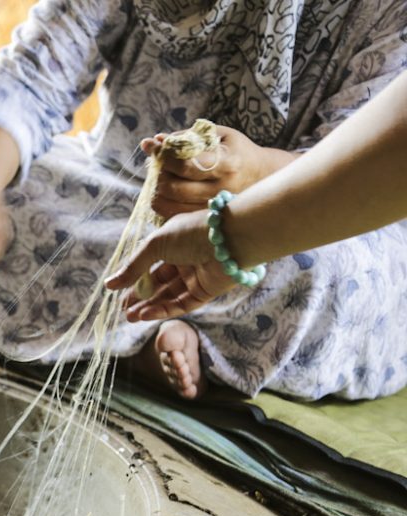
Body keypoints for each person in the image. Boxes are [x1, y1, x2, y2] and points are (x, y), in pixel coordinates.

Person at [0, 0, 407, 401]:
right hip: (117, 197)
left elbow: (359, 163)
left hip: (290, 219)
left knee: (321, 271)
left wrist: (256, 175)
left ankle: (135, 333)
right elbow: (31, 78)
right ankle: (148, 335)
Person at [104, 68, 407, 391]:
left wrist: (257, 173)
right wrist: (225, 234)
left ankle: (187, 352)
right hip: (130, 197)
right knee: (49, 192)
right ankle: (149, 342)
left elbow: (368, 155)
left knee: (318, 269)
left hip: (343, 230)